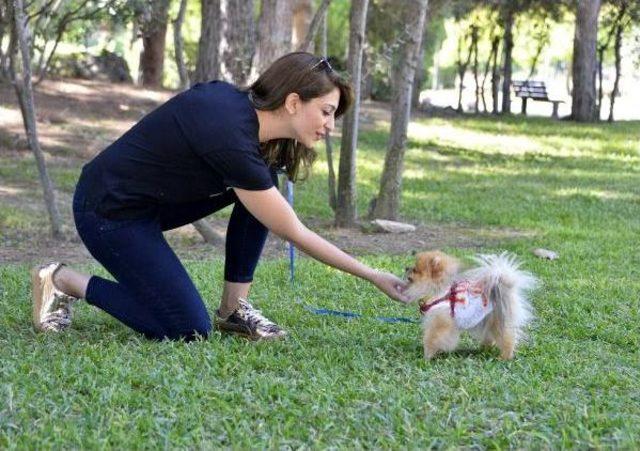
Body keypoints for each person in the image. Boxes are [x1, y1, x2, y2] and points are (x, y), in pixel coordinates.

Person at [31, 52, 410, 342]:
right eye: (326, 112)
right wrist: (373, 275)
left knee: (265, 190)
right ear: (293, 102)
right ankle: (63, 280)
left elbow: (269, 208)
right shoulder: (228, 131)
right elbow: (295, 231)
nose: (330, 126)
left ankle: (233, 310)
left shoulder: (253, 132)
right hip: (107, 212)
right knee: (185, 327)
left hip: (151, 206)